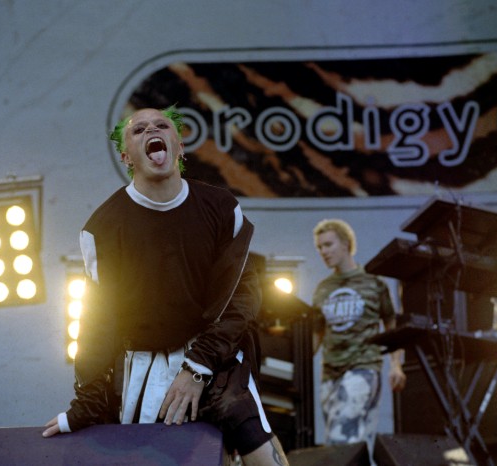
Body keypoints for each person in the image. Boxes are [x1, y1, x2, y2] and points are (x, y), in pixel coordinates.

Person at [43, 106, 289, 466]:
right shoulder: (103, 227)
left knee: (258, 446)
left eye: (161, 126)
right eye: (138, 129)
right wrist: (85, 406)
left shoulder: (221, 208)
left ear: (179, 145)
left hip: (212, 358)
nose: (151, 130)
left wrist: (196, 368)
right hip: (142, 363)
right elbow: (99, 321)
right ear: (127, 156)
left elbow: (242, 299)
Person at [311, 219, 406, 455]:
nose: (324, 251)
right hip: (330, 374)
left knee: (339, 440)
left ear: (345, 244)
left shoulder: (374, 282)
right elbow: (316, 333)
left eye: (328, 244)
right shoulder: (323, 288)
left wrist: (396, 365)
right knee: (355, 445)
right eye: (320, 247)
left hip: (363, 368)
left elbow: (391, 323)